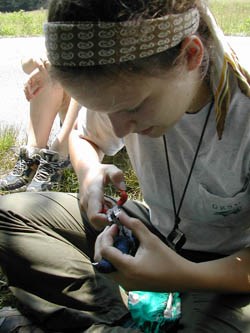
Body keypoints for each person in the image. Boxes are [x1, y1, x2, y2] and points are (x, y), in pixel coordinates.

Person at [0, 0, 250, 332]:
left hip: (225, 269)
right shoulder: (122, 86)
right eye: (105, 109)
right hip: (152, 231)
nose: (119, 129)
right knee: (11, 214)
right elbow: (85, 138)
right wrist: (89, 176)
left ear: (192, 56)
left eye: (134, 107)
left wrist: (178, 274)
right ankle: (123, 323)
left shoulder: (243, 114)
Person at [0, 57, 80, 192]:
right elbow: (26, 65)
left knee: (87, 77)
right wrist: (40, 63)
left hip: (111, 114)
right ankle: (33, 154)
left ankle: (59, 157)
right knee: (48, 72)